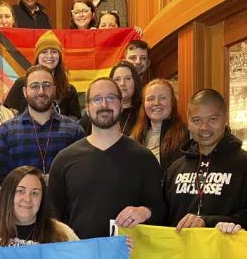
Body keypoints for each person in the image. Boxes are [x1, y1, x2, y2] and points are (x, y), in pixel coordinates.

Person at [48, 77, 167, 239]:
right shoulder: (64, 160)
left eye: (111, 98)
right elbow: (52, 219)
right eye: (97, 99)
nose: (104, 105)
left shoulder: (144, 159)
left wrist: (144, 212)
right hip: (80, 258)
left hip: (130, 258)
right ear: (88, 108)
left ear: (121, 104)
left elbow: (160, 211)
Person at [164, 89, 247, 232]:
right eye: (197, 120)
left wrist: (207, 222)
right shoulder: (175, 169)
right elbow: (163, 217)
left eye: (212, 119)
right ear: (188, 122)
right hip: (181, 252)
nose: (204, 127)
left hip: (227, 252)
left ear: (225, 118)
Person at [0, 65, 85, 182]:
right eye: (34, 86)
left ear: (54, 90)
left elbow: (81, 176)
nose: (41, 91)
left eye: (47, 85)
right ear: (25, 92)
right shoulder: (6, 131)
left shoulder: (74, 131)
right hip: (21, 200)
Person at [0, 165, 79, 250]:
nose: (27, 199)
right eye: (20, 191)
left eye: (35, 193)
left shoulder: (63, 233)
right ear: (8, 195)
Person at [4, 31, 82, 119]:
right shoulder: (21, 83)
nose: (49, 56)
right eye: (44, 51)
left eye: (54, 51)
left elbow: (73, 124)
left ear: (59, 56)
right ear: (37, 56)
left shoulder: (69, 90)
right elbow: (9, 116)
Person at [130, 79, 189, 168]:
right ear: (144, 105)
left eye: (163, 98)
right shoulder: (134, 139)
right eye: (151, 99)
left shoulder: (187, 135)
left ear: (172, 102)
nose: (156, 103)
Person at [80, 60, 142, 136]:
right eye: (117, 79)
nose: (122, 83)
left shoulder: (143, 112)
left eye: (128, 78)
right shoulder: (97, 110)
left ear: (135, 82)